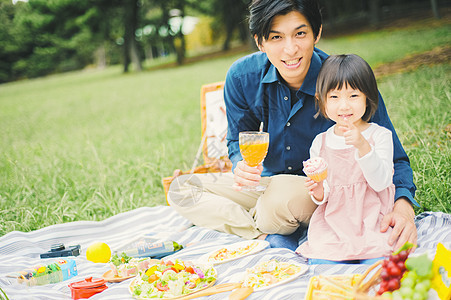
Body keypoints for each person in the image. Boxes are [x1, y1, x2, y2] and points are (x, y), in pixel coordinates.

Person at [168, 0, 418, 251]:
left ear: (317, 33)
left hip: (322, 192)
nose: (290, 49)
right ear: (260, 41)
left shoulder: (345, 83)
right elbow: (237, 142)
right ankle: (261, 235)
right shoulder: (242, 77)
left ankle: (263, 219)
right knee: (182, 190)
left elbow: (395, 158)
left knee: (278, 200)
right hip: (268, 183)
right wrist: (239, 166)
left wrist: (403, 206)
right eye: (276, 37)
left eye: (300, 34)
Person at [295, 54, 396, 264]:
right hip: (335, 222)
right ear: (321, 101)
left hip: (372, 219)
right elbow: (326, 195)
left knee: (378, 263)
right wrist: (318, 191)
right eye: (334, 97)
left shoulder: (379, 136)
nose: (344, 106)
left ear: (367, 98)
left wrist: (363, 146)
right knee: (322, 262)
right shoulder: (320, 142)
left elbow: (381, 183)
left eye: (353, 96)